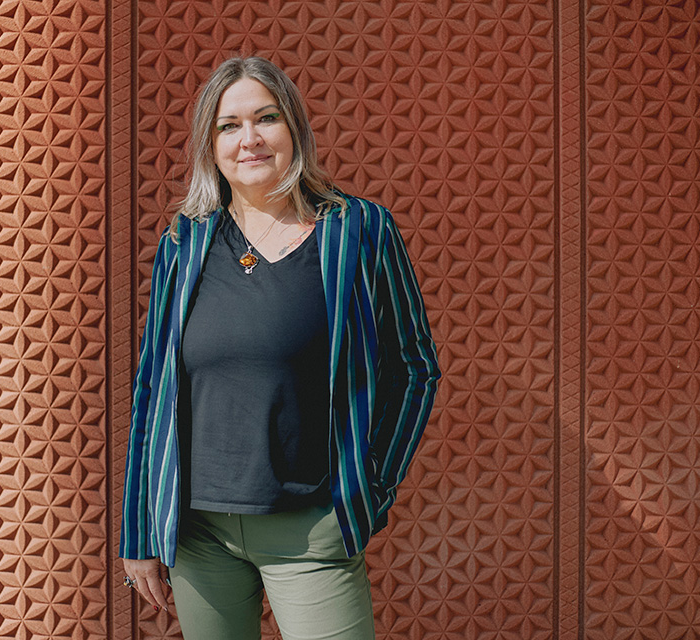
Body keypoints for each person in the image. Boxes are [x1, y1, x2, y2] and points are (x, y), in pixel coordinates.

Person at [120, 56, 441, 640]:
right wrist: (140, 532)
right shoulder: (185, 244)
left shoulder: (358, 231)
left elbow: (415, 368)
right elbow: (154, 390)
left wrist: (374, 483)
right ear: (209, 145)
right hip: (200, 537)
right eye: (228, 125)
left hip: (312, 531)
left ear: (293, 128)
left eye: (265, 119)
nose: (249, 139)